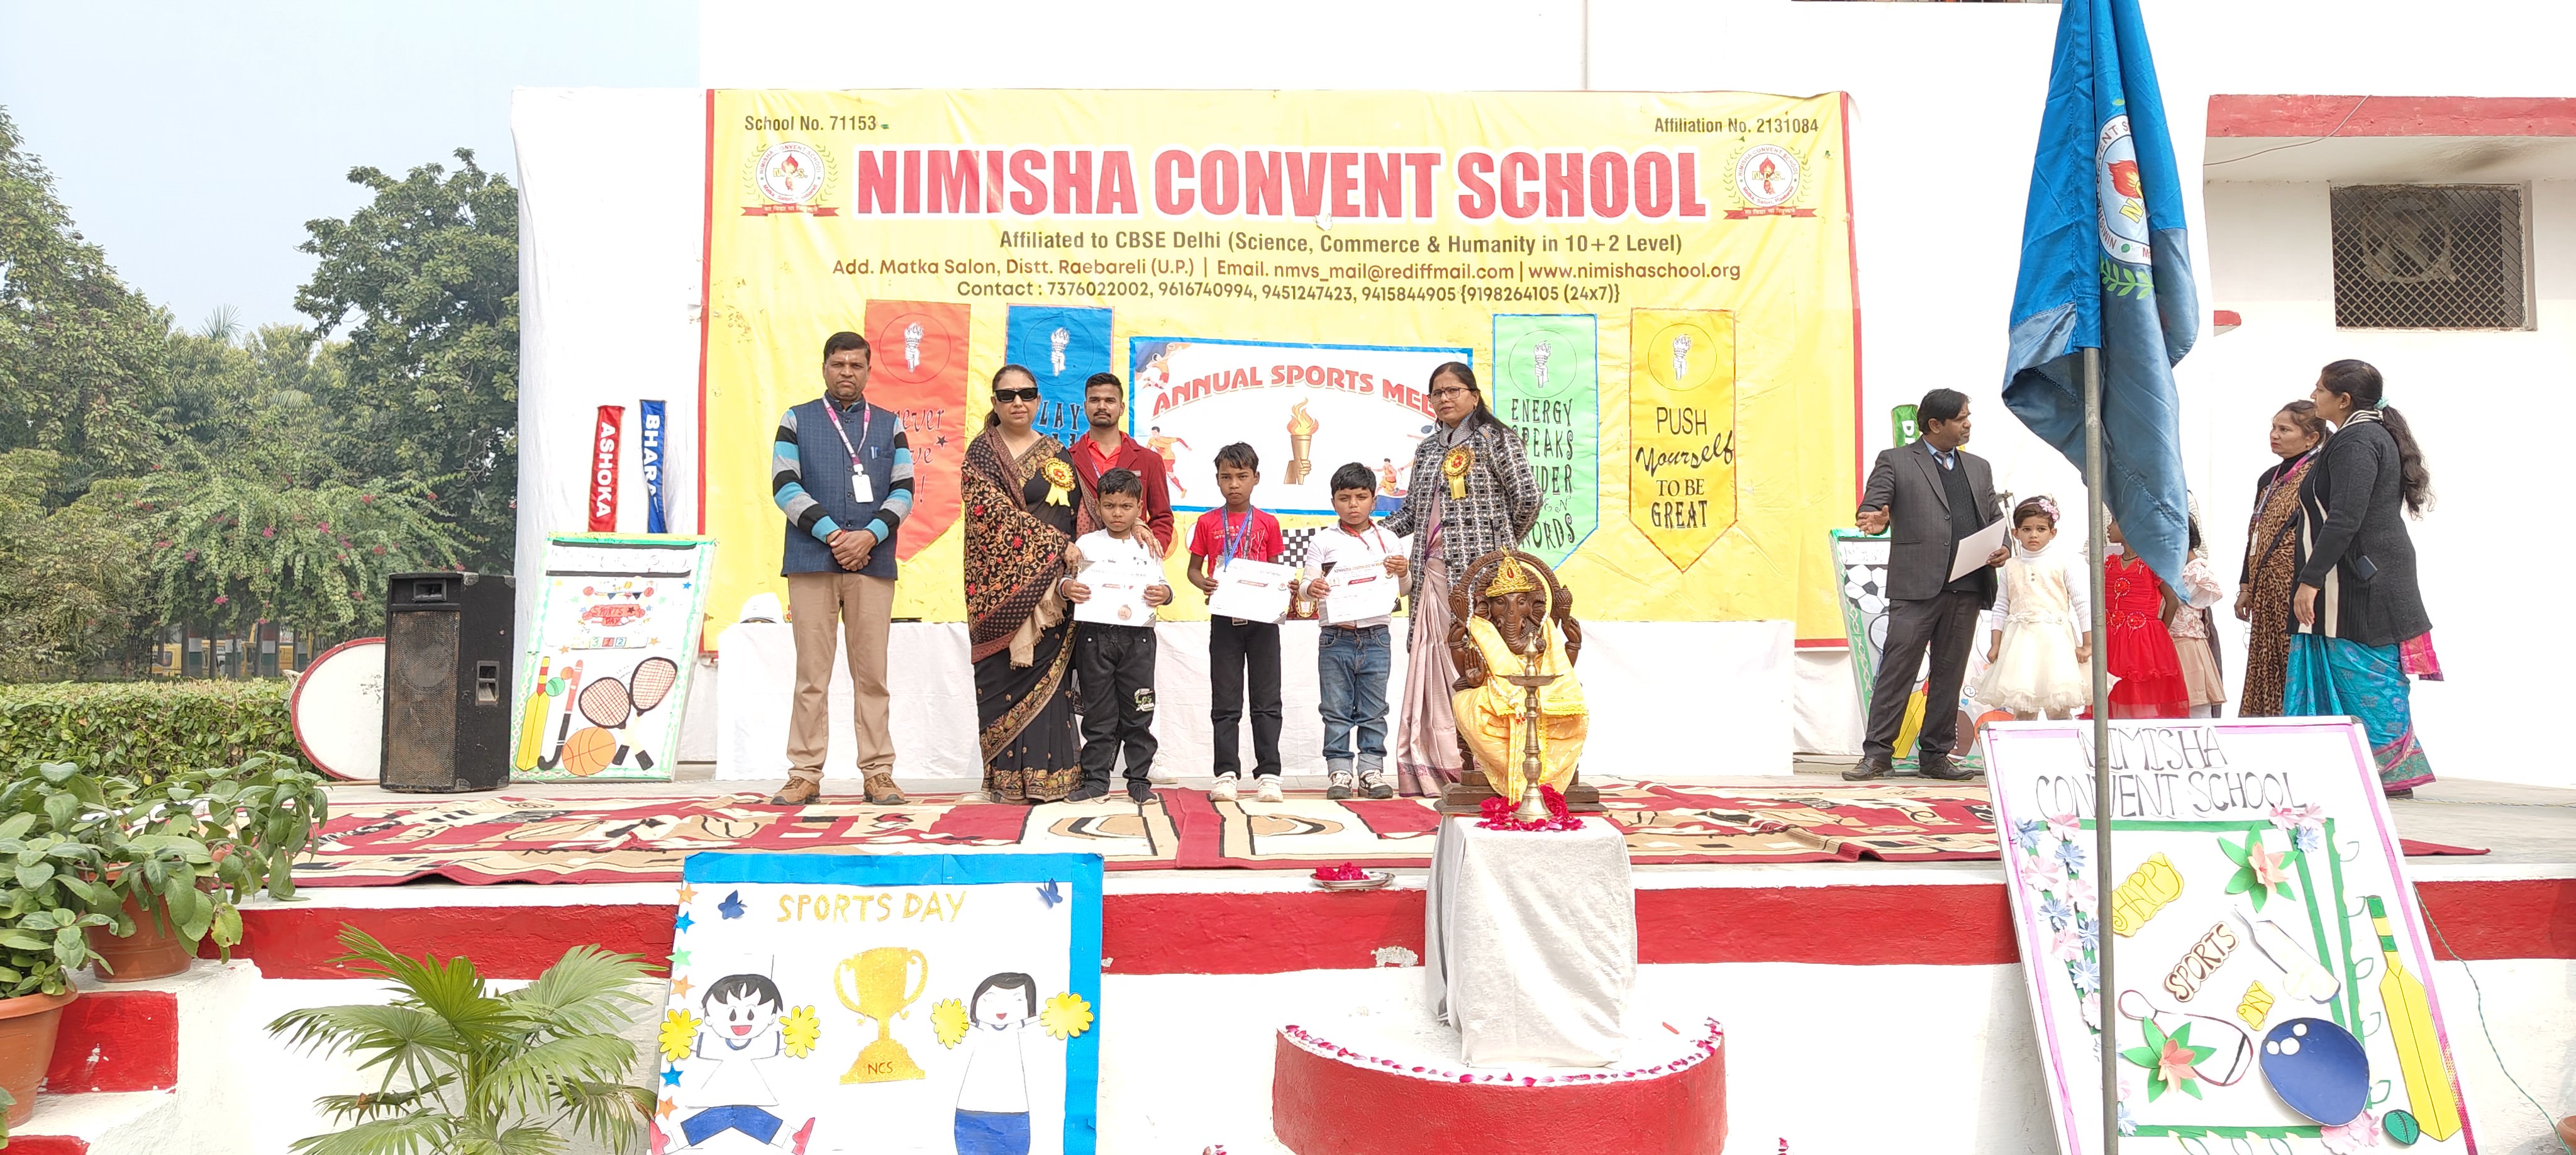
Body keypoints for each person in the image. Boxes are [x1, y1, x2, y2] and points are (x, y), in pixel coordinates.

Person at [1380, 362, 1540, 796]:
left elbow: (1528, 498)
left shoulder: (1497, 439)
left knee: (1481, 664)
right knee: (1434, 665)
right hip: (1432, 575)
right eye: (1437, 393)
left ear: (1474, 395)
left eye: (1453, 390)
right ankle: (1435, 764)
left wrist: (1501, 546)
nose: (1445, 399)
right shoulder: (1429, 450)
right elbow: (1412, 514)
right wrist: (1366, 534)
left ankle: (1489, 763)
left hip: (1485, 580)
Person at [768, 331, 914, 806]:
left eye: (855, 365)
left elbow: (905, 490)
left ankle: (878, 773)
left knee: (872, 676)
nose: (846, 372)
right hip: (812, 560)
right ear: (824, 368)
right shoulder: (797, 419)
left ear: (869, 371)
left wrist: (869, 536)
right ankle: (804, 774)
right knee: (812, 676)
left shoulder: (890, 425)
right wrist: (835, 535)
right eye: (838, 364)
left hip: (873, 563)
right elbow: (784, 485)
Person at [2289, 359, 2438, 796]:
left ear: (2344, 399)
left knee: (2368, 672)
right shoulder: (2361, 436)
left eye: (2320, 389)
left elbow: (2345, 518)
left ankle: (2389, 772)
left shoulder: (2357, 441)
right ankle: (2367, 770)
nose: (2313, 396)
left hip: (2359, 581)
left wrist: (2311, 580)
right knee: (2358, 670)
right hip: (2362, 574)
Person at [1847, 388, 2007, 781]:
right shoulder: (1896, 460)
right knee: (1898, 670)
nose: (1968, 424)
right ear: (1935, 424)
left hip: (1967, 584)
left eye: (1968, 417)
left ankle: (1936, 756)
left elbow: (1994, 517)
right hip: (1916, 585)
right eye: (1961, 418)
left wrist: (2003, 546)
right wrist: (1875, 519)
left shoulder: (1979, 467)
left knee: (1949, 674)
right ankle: (1877, 754)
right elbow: (1873, 505)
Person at [965, 364, 1096, 805]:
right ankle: (1005, 782)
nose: (1018, 402)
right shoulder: (981, 454)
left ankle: (1055, 776)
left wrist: (1129, 528)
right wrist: (1057, 544)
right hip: (999, 592)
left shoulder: (1057, 452)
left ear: (1038, 400)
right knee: (1005, 679)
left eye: (1026, 394)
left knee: (1051, 683)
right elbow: (991, 516)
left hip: (1055, 593)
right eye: (1007, 395)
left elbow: (1086, 509)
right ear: (995, 402)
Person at [1299, 462, 1410, 800]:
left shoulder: (1389, 539)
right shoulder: (1323, 541)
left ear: (1374, 501)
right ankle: (1340, 772)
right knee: (1335, 709)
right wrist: (1312, 587)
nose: (1353, 505)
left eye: (1361, 497)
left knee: (1374, 709)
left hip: (1377, 635)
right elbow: (1305, 587)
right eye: (1345, 498)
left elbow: (1404, 590)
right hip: (1336, 636)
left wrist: (1403, 571)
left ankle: (1371, 770)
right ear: (1333, 501)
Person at [1185, 443, 1288, 802]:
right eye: (1226, 477)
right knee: (1226, 702)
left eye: (1242, 477)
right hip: (1224, 620)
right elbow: (1193, 571)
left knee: (1267, 700)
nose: (1234, 484)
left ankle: (1270, 774)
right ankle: (1226, 774)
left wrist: (1281, 589)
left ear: (1256, 478)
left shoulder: (1269, 523)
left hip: (1263, 622)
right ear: (1217, 480)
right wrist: (1204, 583)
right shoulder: (1207, 522)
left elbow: (1275, 571)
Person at [1062, 467, 1171, 805]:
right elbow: (1066, 580)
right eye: (1109, 506)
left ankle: (1139, 780)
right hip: (1094, 638)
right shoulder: (1087, 543)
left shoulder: (1147, 545)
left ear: (1139, 507)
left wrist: (1164, 594)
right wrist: (1068, 588)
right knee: (1099, 713)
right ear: (1098, 505)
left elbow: (1164, 586)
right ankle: (1096, 780)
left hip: (1138, 640)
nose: (1117, 513)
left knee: (1139, 710)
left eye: (1126, 506)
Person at [2235, 401, 2329, 716]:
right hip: (2266, 592)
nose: (2274, 435)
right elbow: (2256, 533)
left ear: (2311, 438)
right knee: (2266, 662)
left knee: (2293, 662)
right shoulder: (2269, 478)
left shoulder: (2320, 475)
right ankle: (2266, 724)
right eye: (2274, 428)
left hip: (2297, 590)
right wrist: (2245, 586)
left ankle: (2296, 723)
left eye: (2284, 430)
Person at [1976, 497, 2092, 719]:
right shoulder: (2011, 566)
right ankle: (2023, 740)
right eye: (2027, 529)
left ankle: (2062, 741)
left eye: (2041, 529)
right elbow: (2001, 607)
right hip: (2020, 646)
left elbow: (2082, 603)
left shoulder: (2062, 563)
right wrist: (1995, 644)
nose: (2034, 535)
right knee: (2023, 704)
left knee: (2058, 706)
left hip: (2056, 645)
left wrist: (2088, 644)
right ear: (2015, 532)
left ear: (2053, 532)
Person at [1067, 373, 1175, 553]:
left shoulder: (1149, 460)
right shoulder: (1067, 459)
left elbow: (1162, 518)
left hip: (1132, 562)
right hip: (1081, 560)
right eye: (1095, 400)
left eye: (1110, 401)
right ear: (1085, 407)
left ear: (1122, 408)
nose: (1102, 406)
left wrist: (1148, 554)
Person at [2096, 518, 2191, 719]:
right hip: (2111, 639)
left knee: (2142, 698)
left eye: (2114, 522)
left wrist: (2156, 633)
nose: (2108, 527)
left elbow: (2172, 602)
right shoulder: (2109, 563)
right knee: (2112, 694)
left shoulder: (2153, 564)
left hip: (2141, 641)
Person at [2167, 505, 2230, 718]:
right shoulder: (2179, 570)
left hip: (2187, 645)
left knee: (2195, 709)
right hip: (2174, 645)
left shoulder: (2196, 571)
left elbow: (2173, 602)